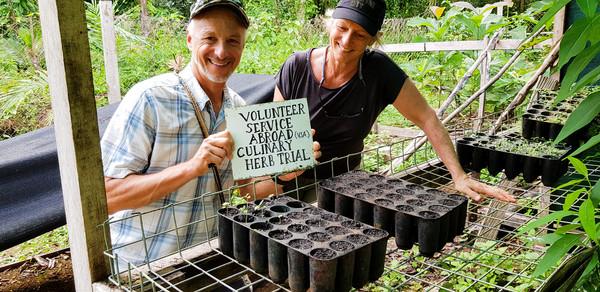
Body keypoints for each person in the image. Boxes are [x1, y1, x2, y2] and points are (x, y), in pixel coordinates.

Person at [101, 0, 319, 267]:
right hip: (143, 269)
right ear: (190, 39)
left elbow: (249, 189)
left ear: (243, 46)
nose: (220, 51)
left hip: (207, 261)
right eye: (210, 38)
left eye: (232, 40)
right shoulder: (150, 99)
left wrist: (284, 175)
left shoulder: (239, 110)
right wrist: (192, 167)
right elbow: (107, 198)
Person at [273, 0, 515, 204]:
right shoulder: (296, 67)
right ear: (330, 23)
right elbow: (274, 135)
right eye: (342, 28)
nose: (346, 41)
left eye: (359, 35)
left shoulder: (379, 71)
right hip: (291, 180)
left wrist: (459, 176)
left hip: (345, 181)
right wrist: (285, 171)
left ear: (372, 39)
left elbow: (427, 118)